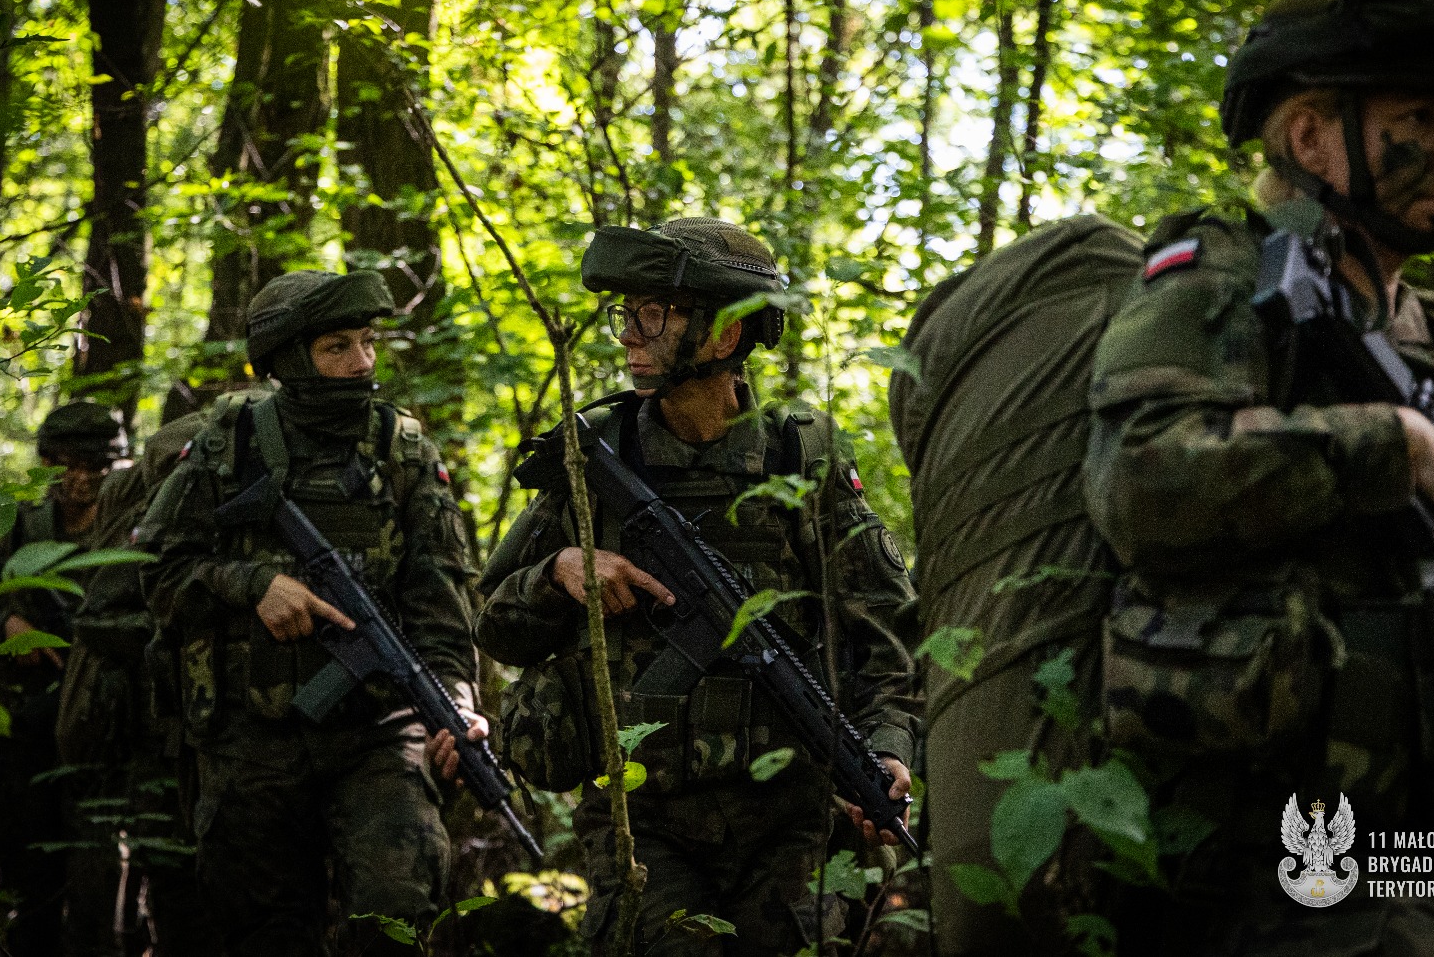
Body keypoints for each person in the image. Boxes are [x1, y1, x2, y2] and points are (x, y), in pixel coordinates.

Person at [1083, 0, 1434, 953]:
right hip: (1291, 860)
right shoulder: (1218, 280)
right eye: (1419, 119)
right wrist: (1387, 444)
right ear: (1310, 135)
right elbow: (1139, 479)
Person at [453, 219, 919, 956]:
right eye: (627, 313)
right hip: (641, 819)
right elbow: (495, 627)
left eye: (655, 314)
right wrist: (558, 573)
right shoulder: (597, 455)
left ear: (724, 334)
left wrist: (888, 750)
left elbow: (886, 634)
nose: (628, 335)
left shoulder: (800, 456)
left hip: (791, 821)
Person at [137, 268, 480, 956]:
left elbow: (441, 598)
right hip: (248, 738)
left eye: (368, 342)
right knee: (262, 933)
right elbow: (155, 573)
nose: (362, 362)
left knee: (395, 911)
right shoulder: (225, 447)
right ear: (289, 359)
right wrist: (252, 585)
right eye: (337, 347)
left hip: (380, 732)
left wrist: (457, 697)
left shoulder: (403, 451)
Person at [0, 399, 127, 957]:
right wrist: (3, 626)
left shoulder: (132, 532)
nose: (80, 479)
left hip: (102, 735)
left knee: (97, 890)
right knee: (29, 889)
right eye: (66, 465)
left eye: (94, 466)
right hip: (22, 739)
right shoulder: (14, 529)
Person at [57, 410, 222, 957]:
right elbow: (101, 616)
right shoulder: (148, 515)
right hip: (144, 727)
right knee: (142, 874)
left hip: (196, 733)